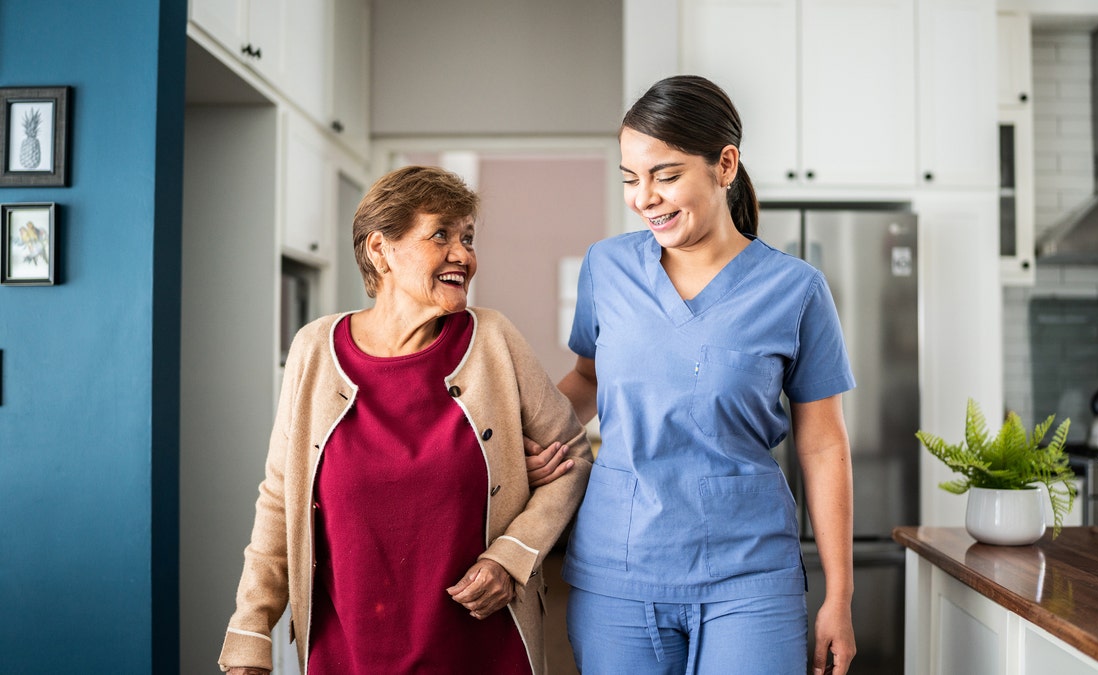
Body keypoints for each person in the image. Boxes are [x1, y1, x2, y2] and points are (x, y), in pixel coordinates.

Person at [218, 166, 593, 675]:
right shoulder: (315, 351)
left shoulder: (492, 341)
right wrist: (249, 631)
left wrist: (512, 555)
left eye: (468, 237)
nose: (464, 254)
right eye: (441, 234)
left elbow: (570, 453)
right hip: (347, 651)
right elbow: (280, 500)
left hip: (480, 648)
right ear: (380, 249)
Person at [547, 75, 858, 674]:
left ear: (725, 165)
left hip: (749, 575)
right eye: (631, 179)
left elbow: (822, 444)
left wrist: (839, 596)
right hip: (620, 565)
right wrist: (535, 440)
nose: (645, 198)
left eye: (665, 175)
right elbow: (587, 379)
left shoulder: (795, 291)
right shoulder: (607, 268)